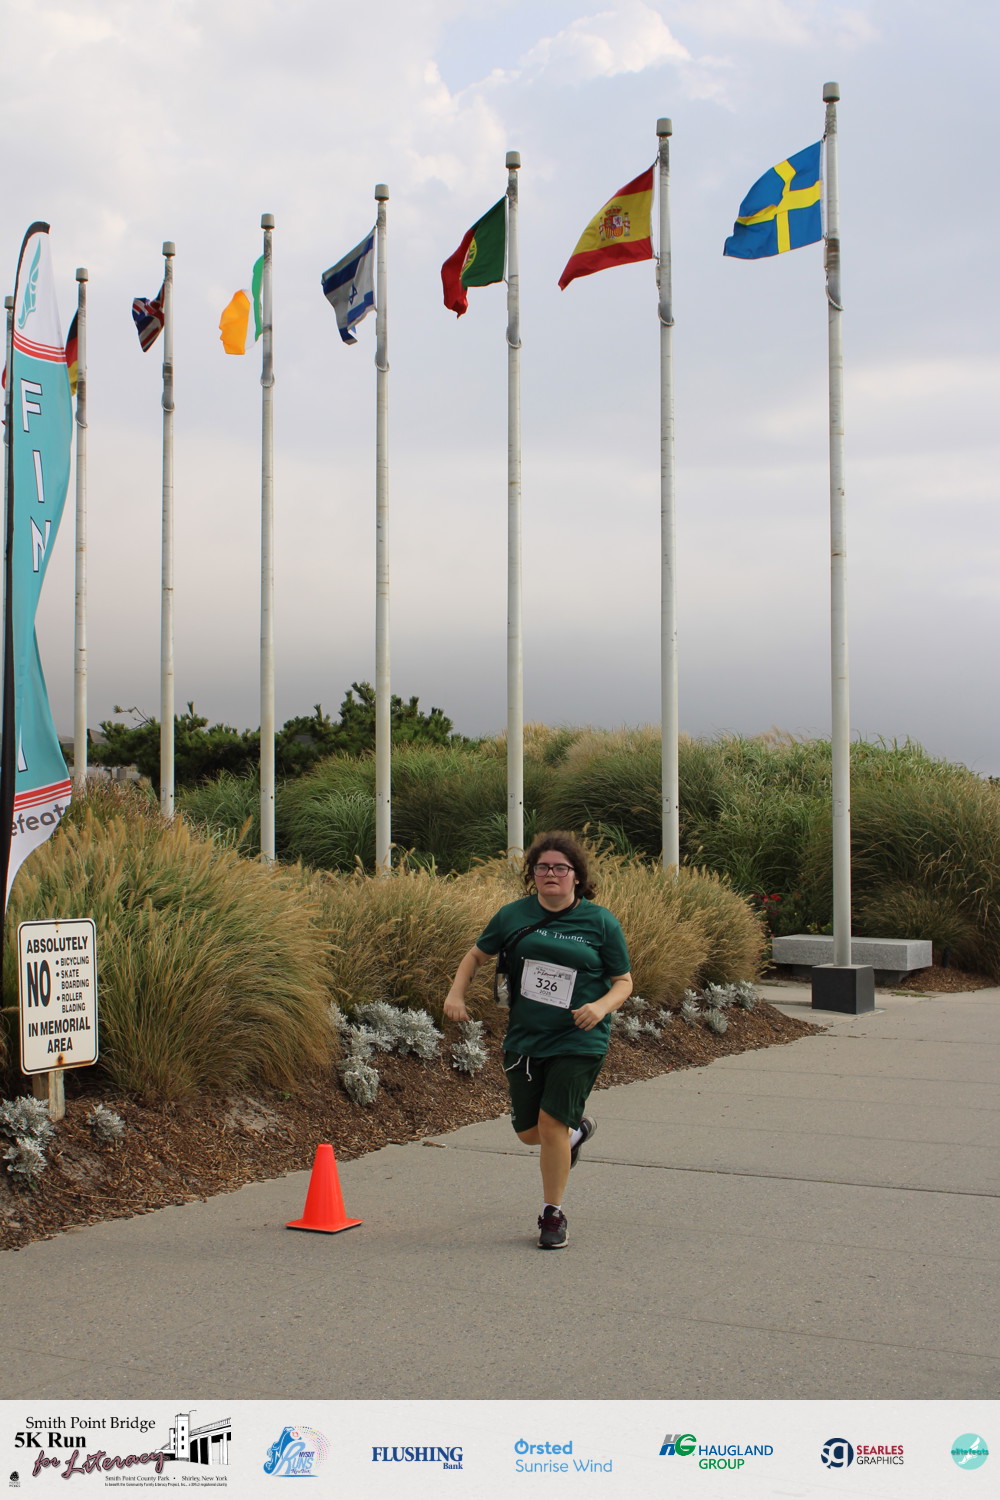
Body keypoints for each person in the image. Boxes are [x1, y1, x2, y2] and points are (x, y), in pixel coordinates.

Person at [443, 831, 632, 1249]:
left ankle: (552, 1214)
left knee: (550, 1125)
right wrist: (456, 994)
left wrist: (600, 1007)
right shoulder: (513, 915)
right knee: (531, 1134)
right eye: (543, 867)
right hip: (526, 1038)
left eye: (561, 868)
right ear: (533, 874)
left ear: (577, 876)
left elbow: (623, 981)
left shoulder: (600, 922)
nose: (551, 874)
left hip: (579, 1038)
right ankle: (575, 1134)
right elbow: (476, 956)